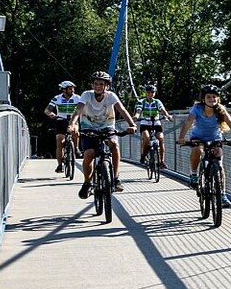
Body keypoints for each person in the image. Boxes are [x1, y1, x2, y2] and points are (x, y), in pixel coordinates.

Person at [75, 71, 136, 199]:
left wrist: (132, 124)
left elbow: (122, 110)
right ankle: (87, 182)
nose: (98, 86)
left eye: (101, 84)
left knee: (114, 143)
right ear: (92, 85)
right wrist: (72, 124)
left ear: (106, 86)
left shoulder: (111, 96)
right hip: (88, 127)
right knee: (89, 154)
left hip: (106, 126)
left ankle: (116, 178)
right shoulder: (86, 95)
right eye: (96, 84)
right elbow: (79, 109)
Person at [185, 84, 231, 175]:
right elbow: (188, 122)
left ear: (218, 99)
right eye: (208, 96)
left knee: (219, 164)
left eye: (214, 96)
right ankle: (193, 173)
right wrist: (181, 137)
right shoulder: (197, 108)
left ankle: (221, 188)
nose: (211, 99)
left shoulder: (220, 109)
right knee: (197, 150)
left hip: (215, 138)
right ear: (203, 99)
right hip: (198, 137)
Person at [46, 81, 81, 174]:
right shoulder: (57, 98)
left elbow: (84, 108)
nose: (72, 90)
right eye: (70, 88)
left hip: (72, 120)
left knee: (76, 132)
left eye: (73, 88)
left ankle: (76, 148)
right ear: (64, 90)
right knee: (60, 141)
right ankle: (59, 165)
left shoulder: (77, 98)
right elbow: (47, 110)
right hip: (61, 121)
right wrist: (51, 114)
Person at [135, 83, 170, 166]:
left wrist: (167, 116)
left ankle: (162, 161)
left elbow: (162, 110)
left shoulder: (157, 102)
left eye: (152, 92)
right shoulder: (141, 102)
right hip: (145, 122)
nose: (150, 94)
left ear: (154, 93)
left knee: (160, 139)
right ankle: (143, 155)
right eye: (148, 92)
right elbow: (138, 111)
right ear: (146, 93)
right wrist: (136, 117)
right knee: (146, 138)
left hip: (156, 122)